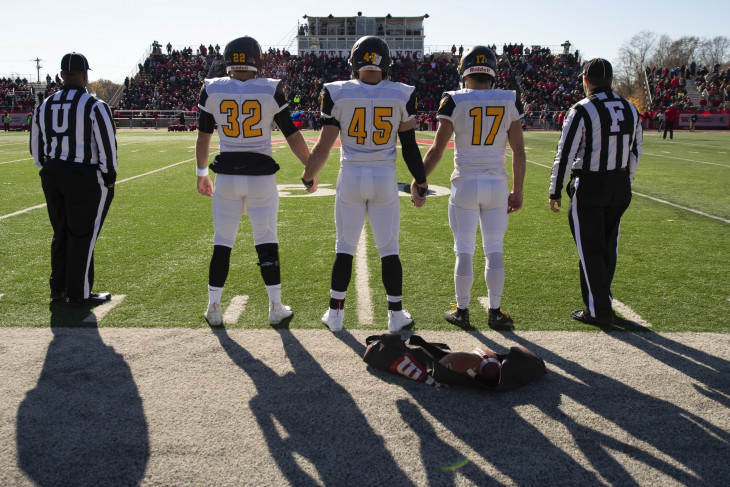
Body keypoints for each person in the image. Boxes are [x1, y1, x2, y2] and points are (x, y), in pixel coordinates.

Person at [301, 35, 429, 333]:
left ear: (355, 61)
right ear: (386, 63)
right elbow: (410, 146)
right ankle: (396, 316)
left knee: (345, 247)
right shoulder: (401, 93)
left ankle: (335, 314)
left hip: (352, 176)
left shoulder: (337, 92)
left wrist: (308, 177)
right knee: (389, 249)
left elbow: (323, 147)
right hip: (384, 177)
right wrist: (420, 183)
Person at [195, 36, 312, 327]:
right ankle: (274, 307)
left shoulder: (212, 88)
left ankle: (213, 308)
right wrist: (310, 169)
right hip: (261, 178)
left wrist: (201, 174)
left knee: (222, 243)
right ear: (256, 59)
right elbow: (292, 134)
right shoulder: (270, 88)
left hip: (226, 177)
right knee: (267, 242)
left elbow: (203, 137)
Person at [417, 45, 525, 329]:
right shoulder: (509, 99)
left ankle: (462, 310)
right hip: (497, 184)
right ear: (493, 72)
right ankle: (495, 311)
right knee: (494, 250)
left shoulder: (454, 99)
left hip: (465, 182)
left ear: (464, 71)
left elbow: (437, 150)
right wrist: (519, 190)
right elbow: (519, 152)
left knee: (464, 250)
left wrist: (420, 180)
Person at [548, 58, 642, 326]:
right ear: (611, 80)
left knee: (590, 250)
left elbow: (564, 153)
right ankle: (603, 299)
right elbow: (636, 150)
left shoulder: (581, 109)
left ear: (586, 80)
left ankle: (599, 310)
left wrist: (555, 190)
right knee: (607, 248)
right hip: (620, 184)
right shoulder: (630, 108)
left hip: (590, 184)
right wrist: (625, 180)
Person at [29, 52, 117, 306]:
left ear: (61, 75)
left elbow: (36, 149)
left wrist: (49, 168)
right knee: (83, 235)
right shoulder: (94, 105)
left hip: (53, 174)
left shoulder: (44, 104)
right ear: (85, 74)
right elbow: (107, 148)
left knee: (61, 232)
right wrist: (109, 178)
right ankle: (80, 292)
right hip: (84, 176)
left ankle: (58, 287)